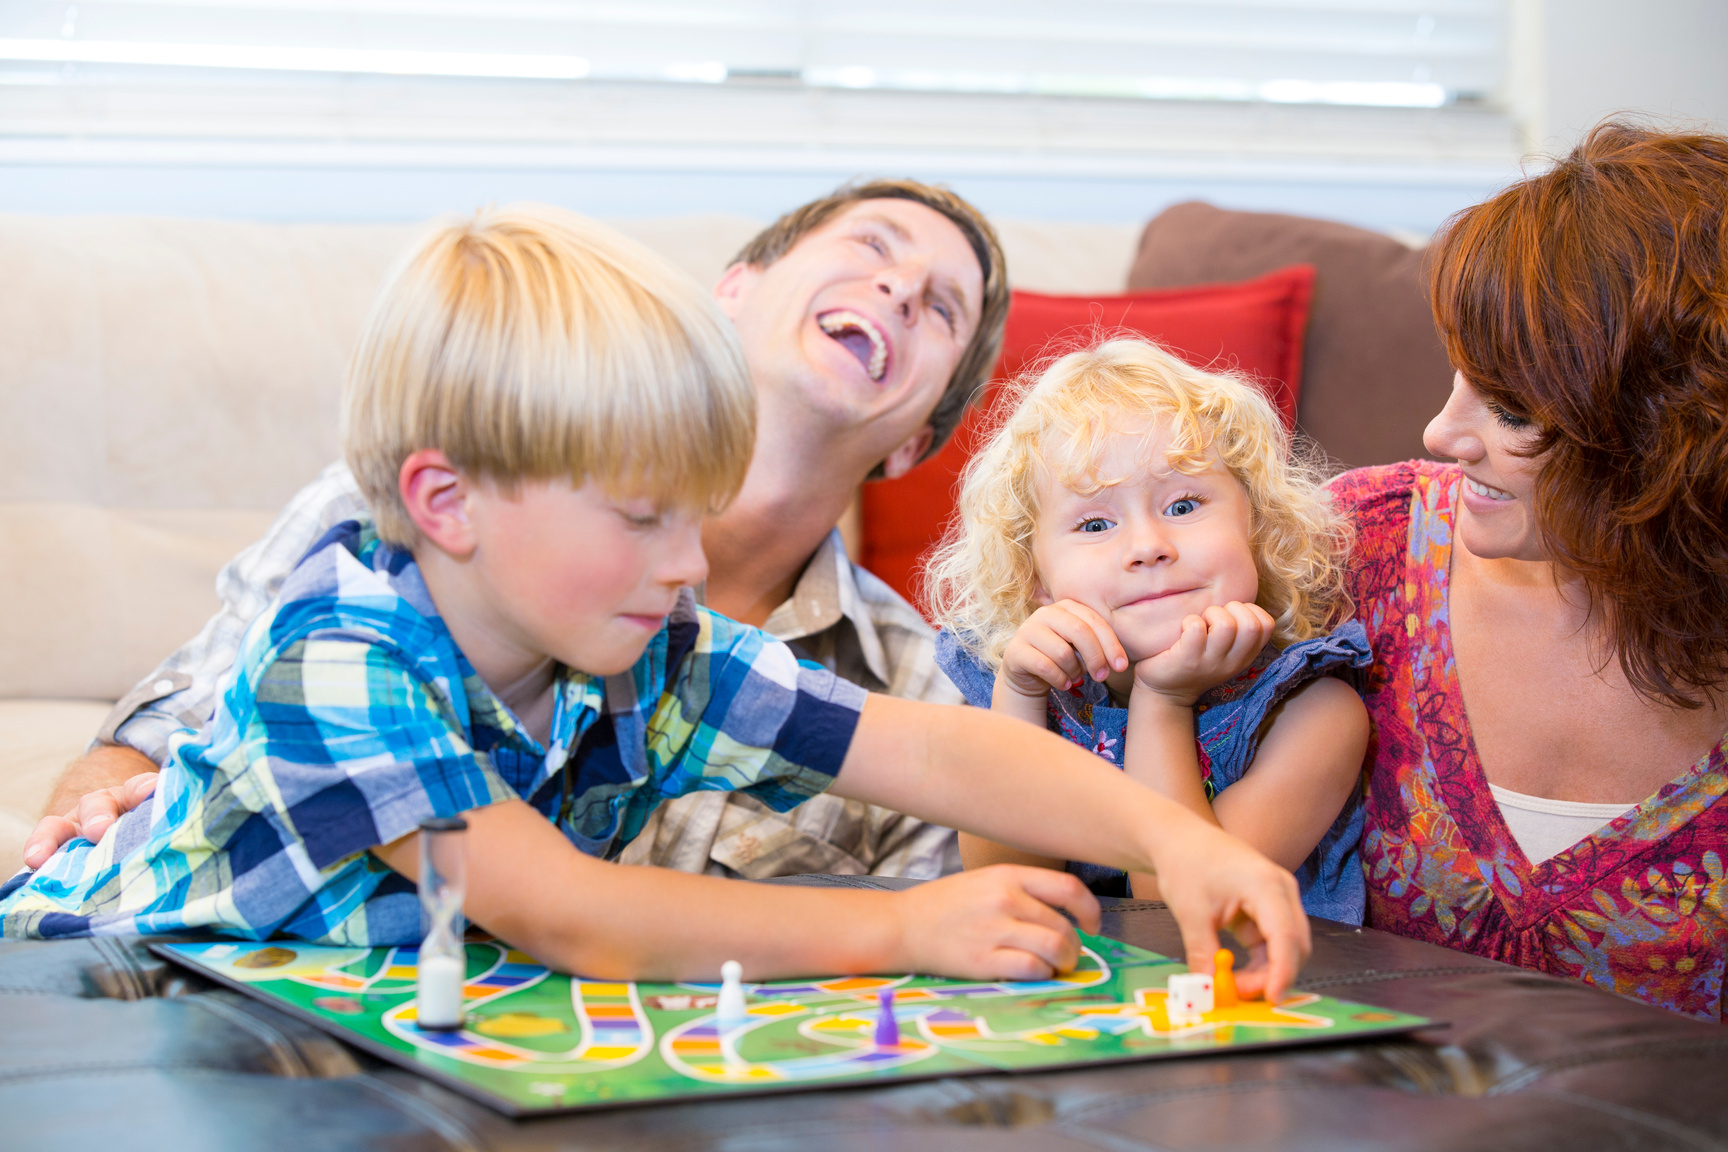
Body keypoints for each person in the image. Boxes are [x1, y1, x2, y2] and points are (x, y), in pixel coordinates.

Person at [1, 206, 1308, 992]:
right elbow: (566, 910)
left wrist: (1186, 842)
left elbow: (921, 743)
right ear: (448, 503)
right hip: (102, 991)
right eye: (640, 519)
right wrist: (904, 929)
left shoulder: (648, 647)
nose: (687, 562)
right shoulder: (339, 661)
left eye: (693, 514)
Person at [24, 178, 1015, 882]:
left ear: (914, 443)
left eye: (941, 309)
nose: (899, 288)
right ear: (735, 289)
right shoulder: (390, 536)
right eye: (873, 244)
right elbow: (172, 734)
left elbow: (954, 945)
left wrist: (1163, 829)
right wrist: (100, 812)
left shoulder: (916, 680)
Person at [1334, 122, 1728, 1020]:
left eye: (1512, 410)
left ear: (1669, 438)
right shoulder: (1361, 549)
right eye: (1459, 376)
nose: (1442, 435)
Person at [924, 339, 1372, 920]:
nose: (1148, 547)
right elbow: (1009, 889)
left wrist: (1163, 698)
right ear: (1035, 578)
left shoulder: (1313, 712)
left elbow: (1175, 912)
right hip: (1083, 999)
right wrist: (1019, 697)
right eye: (1094, 523)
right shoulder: (1033, 691)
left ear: (1257, 529)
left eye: (1184, 506)